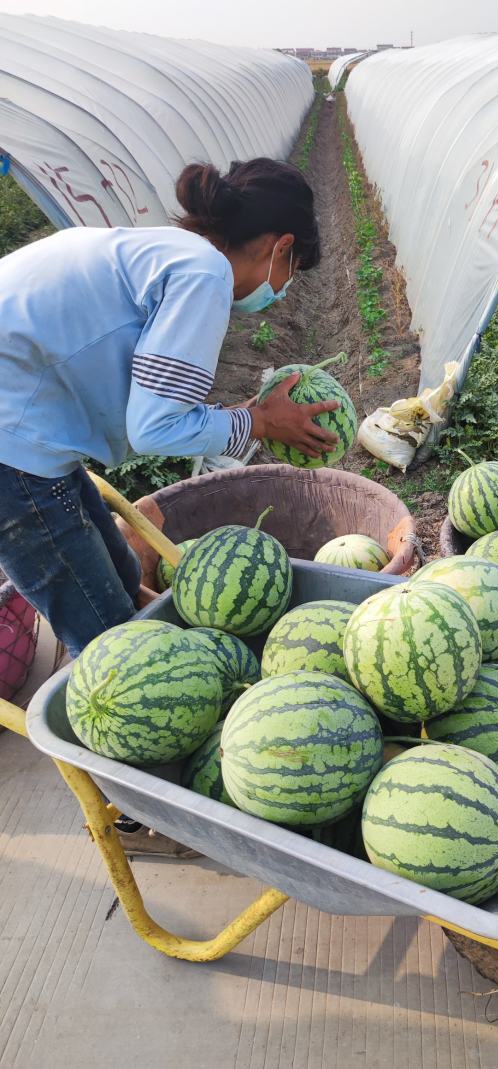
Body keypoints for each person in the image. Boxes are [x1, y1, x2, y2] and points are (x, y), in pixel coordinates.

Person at [0, 158, 339, 856]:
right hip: (14, 450)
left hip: (30, 437)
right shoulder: (204, 276)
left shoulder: (169, 252)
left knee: (122, 580)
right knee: (116, 645)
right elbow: (156, 427)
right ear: (280, 248)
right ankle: (137, 806)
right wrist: (259, 424)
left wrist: (244, 416)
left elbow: (152, 402)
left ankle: (135, 744)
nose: (281, 290)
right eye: (292, 271)